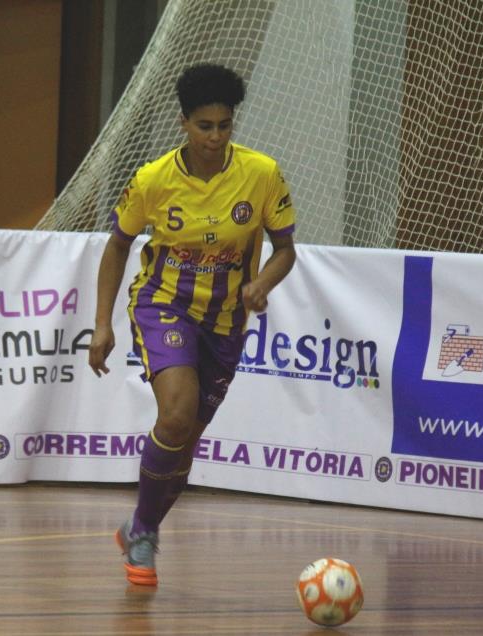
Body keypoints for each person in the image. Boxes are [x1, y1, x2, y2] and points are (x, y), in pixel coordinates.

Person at [88, 64, 297, 586]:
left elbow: (285, 249)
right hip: (164, 304)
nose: (216, 137)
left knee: (186, 446)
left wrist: (261, 285)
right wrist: (101, 325)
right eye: (205, 126)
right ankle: (144, 539)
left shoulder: (262, 173)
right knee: (176, 415)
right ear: (184, 123)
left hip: (226, 320)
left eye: (225, 125)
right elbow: (117, 245)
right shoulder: (153, 179)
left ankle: (140, 525)